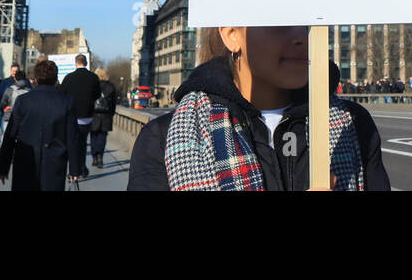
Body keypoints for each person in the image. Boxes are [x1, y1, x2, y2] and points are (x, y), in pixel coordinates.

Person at [128, 26, 390, 191]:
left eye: (310, 22)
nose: (302, 37)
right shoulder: (162, 139)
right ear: (232, 34)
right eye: (281, 23)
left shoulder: (353, 124)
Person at [0, 57, 81, 191]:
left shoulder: (23, 101)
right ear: (55, 78)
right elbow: (73, 138)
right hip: (55, 161)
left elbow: (11, 135)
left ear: (35, 78)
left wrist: (2, 167)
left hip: (25, 160)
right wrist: (75, 169)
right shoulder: (67, 102)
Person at [60, 53, 101, 176]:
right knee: (83, 143)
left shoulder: (68, 78)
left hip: (72, 115)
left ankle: (74, 171)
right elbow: (97, 95)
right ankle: (82, 167)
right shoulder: (93, 77)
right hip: (87, 115)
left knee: (72, 144)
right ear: (86, 63)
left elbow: (62, 95)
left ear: (75, 63)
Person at [89, 67, 117, 170]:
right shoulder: (111, 86)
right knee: (102, 136)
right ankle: (100, 155)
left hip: (93, 114)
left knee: (93, 136)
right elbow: (114, 102)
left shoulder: (92, 86)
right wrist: (112, 113)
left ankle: (94, 157)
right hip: (106, 115)